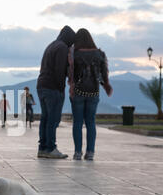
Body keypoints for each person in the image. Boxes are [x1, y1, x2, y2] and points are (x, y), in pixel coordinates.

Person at [69, 28, 113, 161]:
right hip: (94, 92)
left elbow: (70, 72)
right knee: (90, 123)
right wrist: (106, 85)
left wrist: (71, 85)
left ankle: (77, 153)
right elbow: (104, 73)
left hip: (78, 91)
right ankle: (90, 152)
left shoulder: (74, 53)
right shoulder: (100, 54)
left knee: (77, 123)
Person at [36, 26, 76, 159]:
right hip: (52, 87)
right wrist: (60, 88)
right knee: (53, 119)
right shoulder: (62, 48)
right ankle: (51, 148)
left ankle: (42, 148)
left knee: (45, 118)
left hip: (41, 85)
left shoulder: (52, 45)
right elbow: (59, 70)